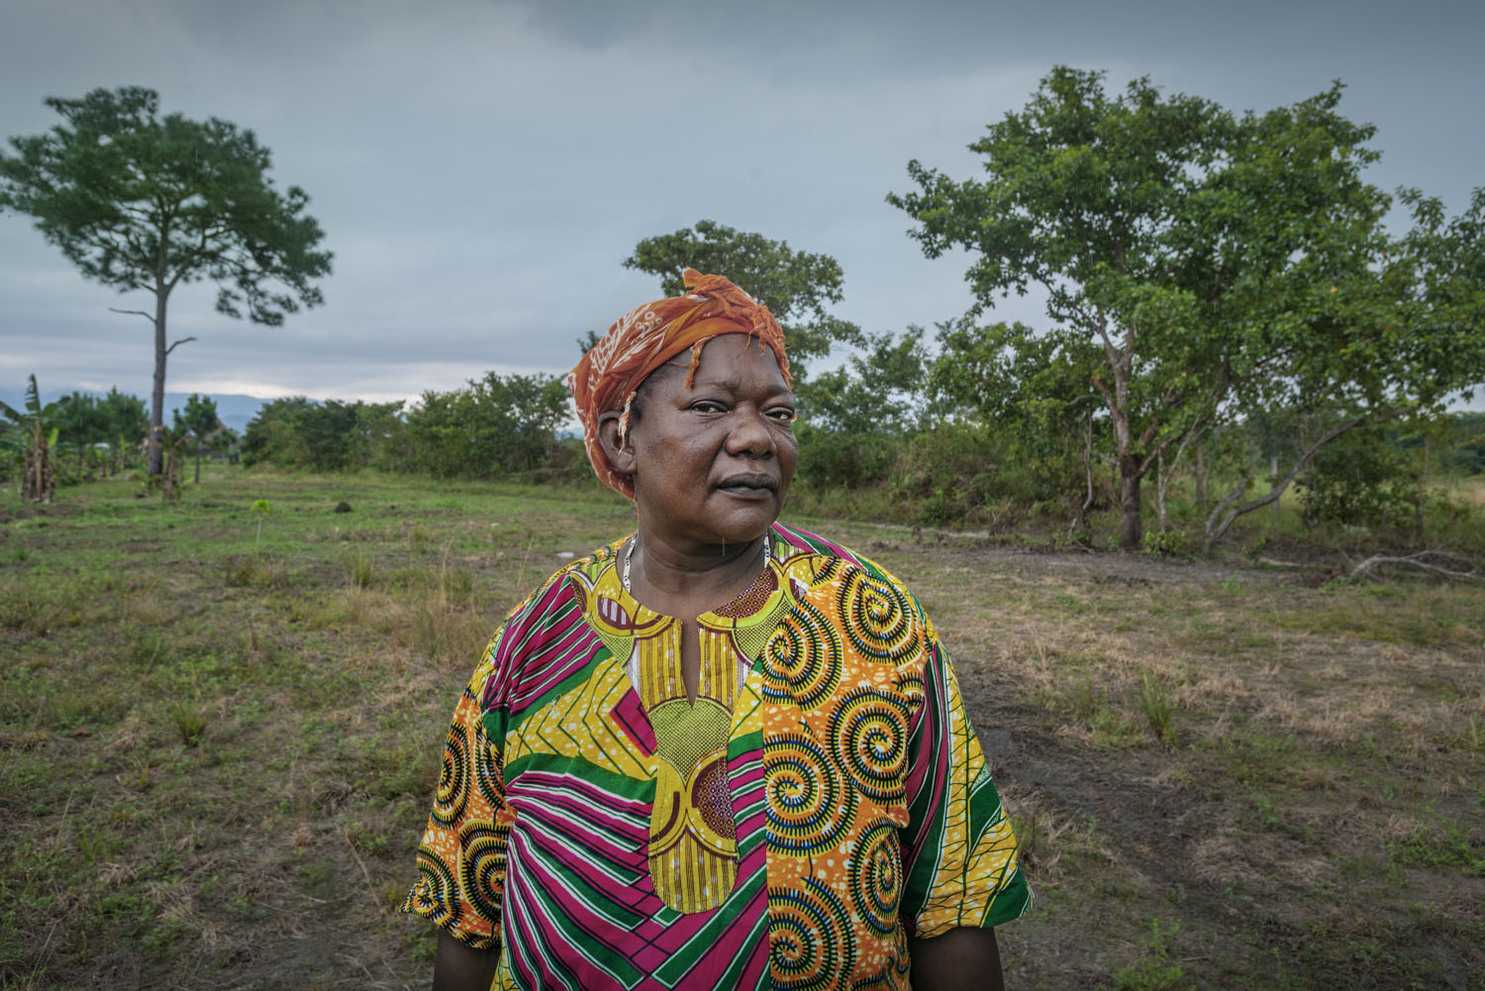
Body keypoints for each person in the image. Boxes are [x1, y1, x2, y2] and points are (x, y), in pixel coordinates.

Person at [401, 270, 1031, 990]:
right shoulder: (536, 634)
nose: (757, 439)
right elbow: (471, 907)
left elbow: (951, 895)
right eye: (709, 406)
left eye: (780, 414)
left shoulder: (873, 618)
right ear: (621, 438)